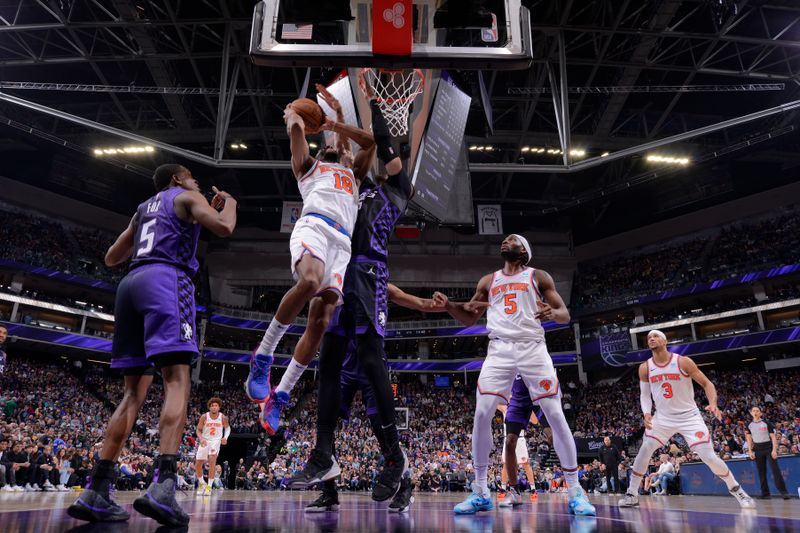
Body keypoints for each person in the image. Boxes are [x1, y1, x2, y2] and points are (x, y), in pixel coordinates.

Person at [269, 74, 415, 506]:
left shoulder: (394, 191)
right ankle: (323, 454)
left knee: (370, 361)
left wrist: (346, 121)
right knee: (328, 363)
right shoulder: (344, 187)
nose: (343, 152)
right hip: (339, 270)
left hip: (368, 274)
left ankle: (394, 458)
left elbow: (378, 144)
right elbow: (333, 161)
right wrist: (323, 119)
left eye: (348, 153)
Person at [67, 164, 237, 526]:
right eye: (192, 177)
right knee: (177, 380)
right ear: (177, 179)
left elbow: (113, 257)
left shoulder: (143, 208)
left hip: (130, 285)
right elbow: (224, 227)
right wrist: (231, 204)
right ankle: (164, 485)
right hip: (166, 279)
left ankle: (97, 489)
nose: (197, 184)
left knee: (132, 394)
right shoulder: (187, 197)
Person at [437, 235, 596, 516]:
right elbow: (470, 317)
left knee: (555, 414)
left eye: (512, 239)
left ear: (523, 251)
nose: (505, 240)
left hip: (532, 347)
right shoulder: (488, 281)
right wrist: (450, 305)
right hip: (499, 349)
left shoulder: (538, 276)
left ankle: (575, 491)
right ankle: (481, 490)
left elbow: (563, 313)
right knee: (482, 412)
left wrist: (553, 313)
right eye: (505, 238)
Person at [245, 86, 376, 426]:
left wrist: (336, 121)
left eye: (337, 145)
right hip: (314, 227)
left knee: (320, 321)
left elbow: (369, 141)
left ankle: (281, 395)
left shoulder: (355, 174)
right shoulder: (308, 167)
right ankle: (264, 355)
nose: (333, 147)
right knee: (310, 280)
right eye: (328, 144)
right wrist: (293, 114)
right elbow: (296, 131)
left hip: (342, 244)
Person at [292, 284, 445, 513]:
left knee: (381, 429)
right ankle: (329, 493)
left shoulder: (374, 280)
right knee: (326, 427)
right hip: (344, 364)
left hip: (371, 363)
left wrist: (438, 304)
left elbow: (414, 301)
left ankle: (404, 486)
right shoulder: (336, 281)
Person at [618, 330, 755, 508]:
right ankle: (632, 494)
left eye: (656, 336)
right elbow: (645, 396)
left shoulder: (682, 361)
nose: (651, 338)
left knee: (709, 457)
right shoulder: (645, 367)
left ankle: (737, 490)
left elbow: (707, 383)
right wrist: (646, 413)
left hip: (689, 417)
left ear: (665, 340)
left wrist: (713, 403)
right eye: (649, 337)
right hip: (663, 418)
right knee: (645, 449)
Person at [496, 376, 542, 507]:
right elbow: (493, 401)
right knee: (506, 464)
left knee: (525, 464)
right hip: (507, 438)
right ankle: (504, 488)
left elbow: (535, 421)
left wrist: (530, 409)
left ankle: (533, 489)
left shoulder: (521, 406)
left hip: (520, 438)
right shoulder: (505, 408)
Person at [745, 406, 790, 499]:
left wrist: (774, 450)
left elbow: (773, 437)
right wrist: (750, 451)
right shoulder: (749, 425)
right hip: (757, 449)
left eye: (757, 411)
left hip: (768, 447)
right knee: (761, 472)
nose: (755, 412)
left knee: (775, 470)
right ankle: (765, 494)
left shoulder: (766, 423)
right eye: (753, 411)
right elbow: (749, 439)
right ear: (751, 413)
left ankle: (784, 492)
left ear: (760, 413)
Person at [195, 397, 230, 496]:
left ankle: (209, 487)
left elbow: (227, 429)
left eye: (216, 406)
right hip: (205, 440)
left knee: (212, 461)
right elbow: (198, 430)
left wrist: (225, 437)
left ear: (219, 407)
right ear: (209, 407)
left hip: (215, 441)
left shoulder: (223, 417)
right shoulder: (204, 417)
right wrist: (201, 438)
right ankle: (202, 484)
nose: (214, 407)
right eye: (212, 406)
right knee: (198, 464)